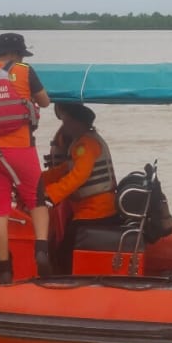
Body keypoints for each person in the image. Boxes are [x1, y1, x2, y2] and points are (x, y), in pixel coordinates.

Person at [0, 33, 53, 283]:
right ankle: (41, 251)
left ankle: (4, 269)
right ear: (18, 54)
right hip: (22, 149)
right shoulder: (26, 71)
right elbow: (45, 102)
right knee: (37, 202)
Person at [41, 102, 119, 273]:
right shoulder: (82, 142)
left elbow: (78, 176)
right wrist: (38, 180)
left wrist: (50, 195)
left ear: (79, 123)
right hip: (89, 210)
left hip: (96, 212)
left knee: (64, 254)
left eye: (67, 122)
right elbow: (63, 170)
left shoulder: (86, 145)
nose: (64, 127)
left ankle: (61, 280)